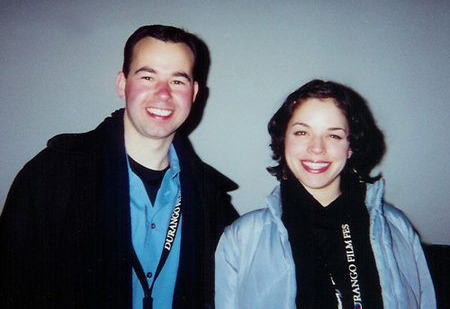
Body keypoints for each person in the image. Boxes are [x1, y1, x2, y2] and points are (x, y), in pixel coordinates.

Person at [0, 25, 238, 309]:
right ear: (122, 84)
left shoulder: (211, 200)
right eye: (147, 77)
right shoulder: (52, 175)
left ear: (194, 93)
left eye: (178, 81)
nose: (163, 94)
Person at [215, 79, 436, 309]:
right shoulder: (241, 238)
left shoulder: (397, 227)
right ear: (284, 141)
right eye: (302, 132)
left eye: (334, 135)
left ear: (350, 147)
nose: (317, 148)